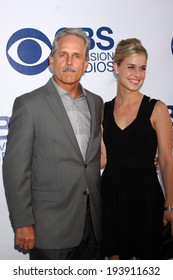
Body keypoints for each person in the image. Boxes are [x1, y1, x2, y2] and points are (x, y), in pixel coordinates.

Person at [3, 28, 104, 260]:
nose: (69, 62)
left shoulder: (96, 103)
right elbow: (15, 169)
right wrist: (23, 222)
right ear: (51, 60)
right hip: (50, 228)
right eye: (63, 55)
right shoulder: (29, 104)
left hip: (93, 226)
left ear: (86, 63)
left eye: (77, 56)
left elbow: (92, 158)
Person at [101, 38, 173, 260]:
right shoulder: (102, 110)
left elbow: (167, 161)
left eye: (142, 68)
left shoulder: (157, 108)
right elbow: (102, 160)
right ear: (116, 67)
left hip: (146, 198)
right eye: (131, 67)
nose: (137, 74)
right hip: (111, 198)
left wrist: (170, 204)